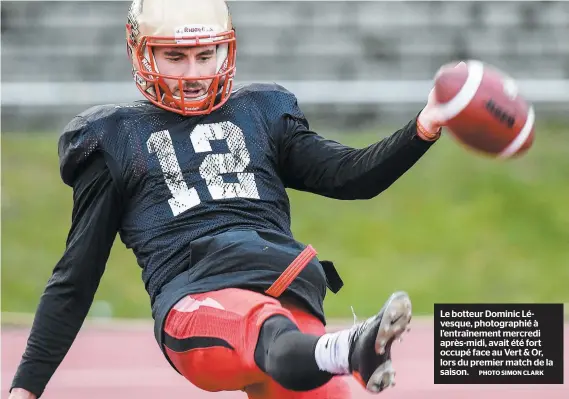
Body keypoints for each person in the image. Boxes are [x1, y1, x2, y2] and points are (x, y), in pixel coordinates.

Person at [9, 0, 448, 398]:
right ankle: (346, 348)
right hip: (196, 292)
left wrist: (423, 127)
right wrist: (26, 387)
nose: (194, 73)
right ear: (142, 54)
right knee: (264, 327)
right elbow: (76, 275)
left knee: (308, 369)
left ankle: (341, 351)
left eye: (205, 55)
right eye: (175, 57)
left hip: (284, 282)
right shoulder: (117, 138)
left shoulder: (261, 112)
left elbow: (350, 176)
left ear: (226, 51)